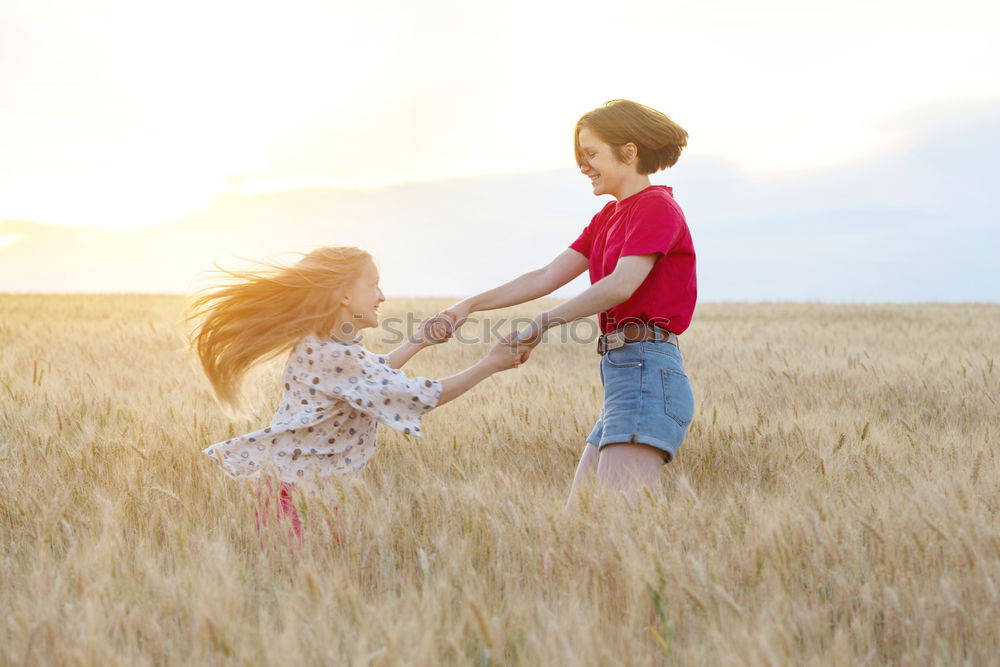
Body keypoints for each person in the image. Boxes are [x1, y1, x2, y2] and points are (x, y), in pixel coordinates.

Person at [439, 99, 696, 507]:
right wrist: (468, 305)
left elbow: (621, 286)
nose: (583, 166)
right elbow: (544, 276)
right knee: (580, 523)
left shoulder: (656, 208)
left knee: (612, 525)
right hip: (623, 377)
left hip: (648, 375)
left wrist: (542, 323)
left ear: (628, 152)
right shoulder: (607, 218)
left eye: (591, 153)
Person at [187, 245, 526, 542]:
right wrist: (490, 364)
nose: (382, 296)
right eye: (374, 284)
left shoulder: (326, 346)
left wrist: (418, 341)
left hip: (305, 491)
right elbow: (417, 397)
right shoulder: (335, 355)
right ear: (345, 296)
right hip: (299, 497)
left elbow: (371, 375)